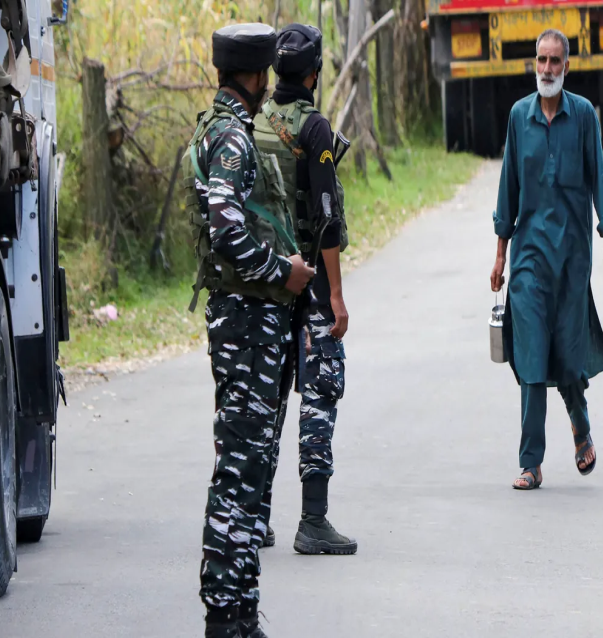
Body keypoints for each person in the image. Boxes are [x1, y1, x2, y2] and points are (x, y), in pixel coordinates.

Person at [184, 22, 314, 638]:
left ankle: (237, 610)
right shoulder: (233, 138)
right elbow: (225, 230)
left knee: (249, 466)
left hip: (246, 322)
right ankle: (226, 615)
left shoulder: (218, 125)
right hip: (247, 321)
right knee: (241, 470)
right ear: (257, 76)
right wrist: (282, 271)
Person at [490, 28, 603, 491]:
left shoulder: (583, 116)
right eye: (541, 60)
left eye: (555, 61)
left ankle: (580, 423)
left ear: (567, 67)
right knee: (530, 357)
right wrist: (500, 253)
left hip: (571, 261)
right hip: (528, 261)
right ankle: (531, 461)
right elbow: (509, 185)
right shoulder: (517, 117)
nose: (547, 68)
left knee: (567, 354)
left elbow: (598, 175)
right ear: (534, 64)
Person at [253, 23, 357, 555]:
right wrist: (336, 295)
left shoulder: (253, 122)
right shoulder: (313, 129)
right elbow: (326, 216)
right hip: (311, 283)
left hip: (267, 282)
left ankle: (255, 520)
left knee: (267, 399)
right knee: (318, 395)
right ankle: (312, 522)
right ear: (314, 73)